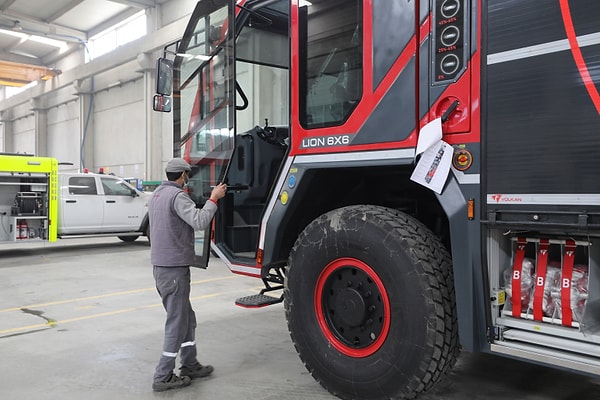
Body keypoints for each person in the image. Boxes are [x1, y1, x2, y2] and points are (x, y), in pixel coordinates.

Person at [149, 157, 227, 392]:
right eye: (187, 174)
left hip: (162, 268)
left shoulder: (158, 195)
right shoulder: (177, 197)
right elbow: (200, 221)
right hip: (173, 270)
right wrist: (214, 198)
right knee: (177, 321)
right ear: (182, 175)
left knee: (187, 318)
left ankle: (190, 363)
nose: (188, 178)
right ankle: (163, 375)